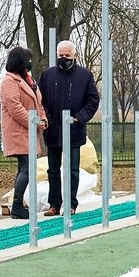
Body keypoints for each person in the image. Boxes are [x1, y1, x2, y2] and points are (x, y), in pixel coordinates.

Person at [37, 40, 99, 216]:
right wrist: (47, 118)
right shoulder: (47, 76)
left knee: (72, 170)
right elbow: (41, 101)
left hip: (74, 130)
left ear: (74, 56)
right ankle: (54, 205)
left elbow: (92, 100)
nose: (64, 59)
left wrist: (79, 118)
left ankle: (71, 204)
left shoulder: (85, 76)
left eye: (67, 56)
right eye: (61, 56)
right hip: (54, 130)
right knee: (53, 170)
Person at [0, 46, 48, 219]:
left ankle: (17, 205)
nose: (30, 63)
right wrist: (34, 122)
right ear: (20, 61)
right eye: (27, 59)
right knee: (27, 168)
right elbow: (15, 108)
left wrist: (42, 119)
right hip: (18, 131)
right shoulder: (9, 82)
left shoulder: (29, 80)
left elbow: (38, 103)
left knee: (24, 168)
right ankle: (17, 205)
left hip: (30, 130)